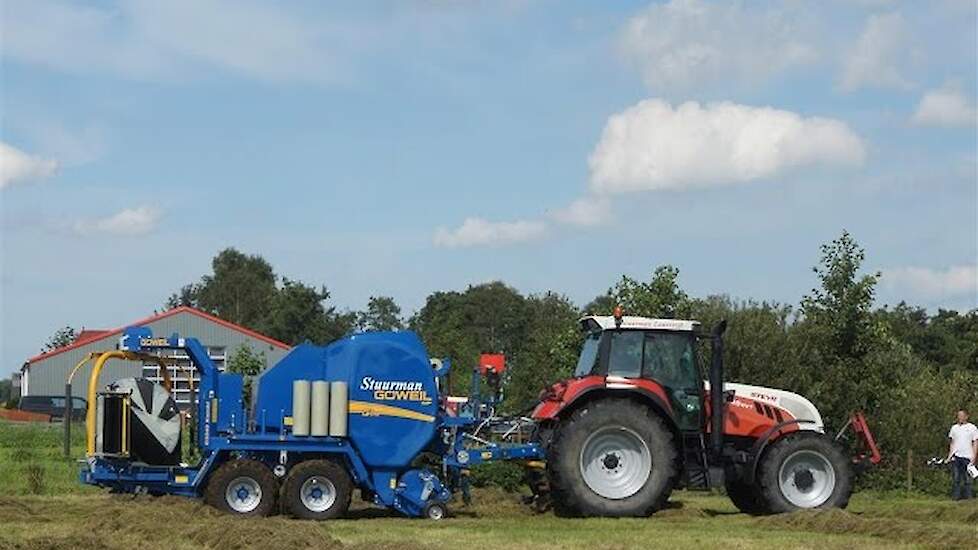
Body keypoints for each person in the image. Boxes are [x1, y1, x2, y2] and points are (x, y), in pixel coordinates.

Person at [946, 409, 978, 500]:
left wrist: (974, 456)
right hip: (956, 456)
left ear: (966, 416)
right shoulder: (954, 428)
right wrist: (949, 456)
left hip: (968, 457)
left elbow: (975, 442)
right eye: (958, 415)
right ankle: (956, 498)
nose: (960, 417)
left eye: (962, 415)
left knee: (968, 479)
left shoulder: (972, 428)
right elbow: (952, 442)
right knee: (956, 478)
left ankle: (969, 498)